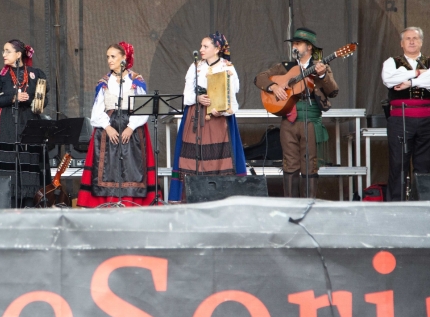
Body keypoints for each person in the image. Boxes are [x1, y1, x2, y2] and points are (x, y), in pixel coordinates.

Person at [254, 28, 338, 198]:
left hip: (310, 120)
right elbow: (259, 78)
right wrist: (274, 86)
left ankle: (309, 206)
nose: (294, 46)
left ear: (309, 48)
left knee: (310, 163)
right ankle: (290, 206)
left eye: (298, 44)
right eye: (293, 43)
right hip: (289, 120)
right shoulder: (284, 67)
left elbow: (333, 91)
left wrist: (322, 77)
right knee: (289, 163)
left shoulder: (321, 67)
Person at [168, 33, 246, 202]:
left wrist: (223, 110)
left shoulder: (227, 68)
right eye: (201, 46)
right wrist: (197, 98)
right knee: (192, 158)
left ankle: (219, 198)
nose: (201, 49)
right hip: (196, 118)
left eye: (205, 46)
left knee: (218, 159)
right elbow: (186, 94)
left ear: (217, 49)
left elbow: (232, 100)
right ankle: (190, 197)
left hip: (218, 122)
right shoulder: (195, 67)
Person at [77, 42, 156, 207]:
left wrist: (131, 127)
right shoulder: (104, 82)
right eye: (108, 57)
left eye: (113, 56)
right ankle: (108, 203)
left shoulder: (136, 80)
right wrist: (107, 127)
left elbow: (143, 109)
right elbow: (97, 111)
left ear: (124, 58)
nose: (109, 60)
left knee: (132, 167)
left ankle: (131, 203)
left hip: (132, 129)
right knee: (108, 167)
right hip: (109, 128)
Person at [0, 39, 50, 208]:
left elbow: (44, 98)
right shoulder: (0, 75)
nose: (3, 54)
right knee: (8, 159)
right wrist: (14, 98)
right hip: (8, 122)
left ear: (18, 54)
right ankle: (9, 200)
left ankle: (31, 200)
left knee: (30, 159)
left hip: (30, 121)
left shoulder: (36, 74)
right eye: (3, 51)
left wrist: (35, 100)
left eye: (7, 51)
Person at [381, 26, 430, 201]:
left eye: (415, 38)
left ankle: (423, 206)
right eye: (408, 39)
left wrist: (408, 82)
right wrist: (418, 74)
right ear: (402, 44)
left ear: (421, 42)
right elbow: (389, 79)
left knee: (424, 165)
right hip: (400, 119)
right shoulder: (391, 62)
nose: (411, 41)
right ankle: (395, 206)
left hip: (427, 120)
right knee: (398, 165)